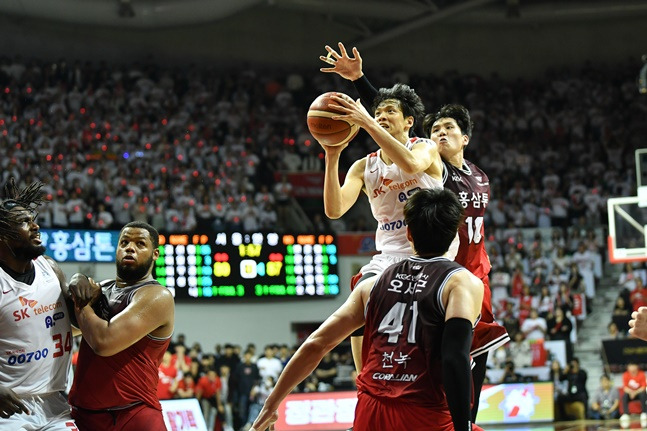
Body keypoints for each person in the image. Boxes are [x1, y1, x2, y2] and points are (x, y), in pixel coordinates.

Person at [320, 42, 509, 421]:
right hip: (403, 254)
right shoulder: (392, 159)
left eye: (448, 128)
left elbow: (397, 125)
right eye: (436, 128)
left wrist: (372, 109)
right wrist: (336, 144)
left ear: (464, 138)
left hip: (455, 261)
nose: (440, 133)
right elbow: (389, 117)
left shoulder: (464, 169)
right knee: (363, 294)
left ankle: (465, 418)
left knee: (466, 351)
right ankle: (367, 389)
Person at [250, 188, 484, 431]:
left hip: (371, 409)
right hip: (424, 410)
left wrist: (271, 404)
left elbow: (316, 344)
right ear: (457, 234)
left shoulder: (371, 284)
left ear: (409, 234)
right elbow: (453, 357)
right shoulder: (461, 282)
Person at [67, 221, 175, 431]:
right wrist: (73, 287)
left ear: (155, 254)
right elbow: (69, 329)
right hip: (84, 416)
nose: (130, 247)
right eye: (124, 242)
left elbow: (104, 342)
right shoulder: (103, 288)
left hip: (133, 416)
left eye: (140, 244)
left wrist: (80, 301)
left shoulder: (157, 296)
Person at [0, 179, 78, 430]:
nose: (36, 226)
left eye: (32, 219)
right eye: (24, 222)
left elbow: (77, 322)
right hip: (10, 407)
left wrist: (88, 291)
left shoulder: (50, 268)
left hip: (56, 402)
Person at [620, 362, 647, 426]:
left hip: (639, 393)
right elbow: (625, 387)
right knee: (625, 396)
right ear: (628, 367)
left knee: (643, 394)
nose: (632, 368)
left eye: (633, 366)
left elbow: (643, 387)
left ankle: (644, 413)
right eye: (630, 366)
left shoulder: (641, 374)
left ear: (636, 366)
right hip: (630, 393)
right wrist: (631, 392)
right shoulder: (625, 374)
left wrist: (635, 392)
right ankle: (626, 414)